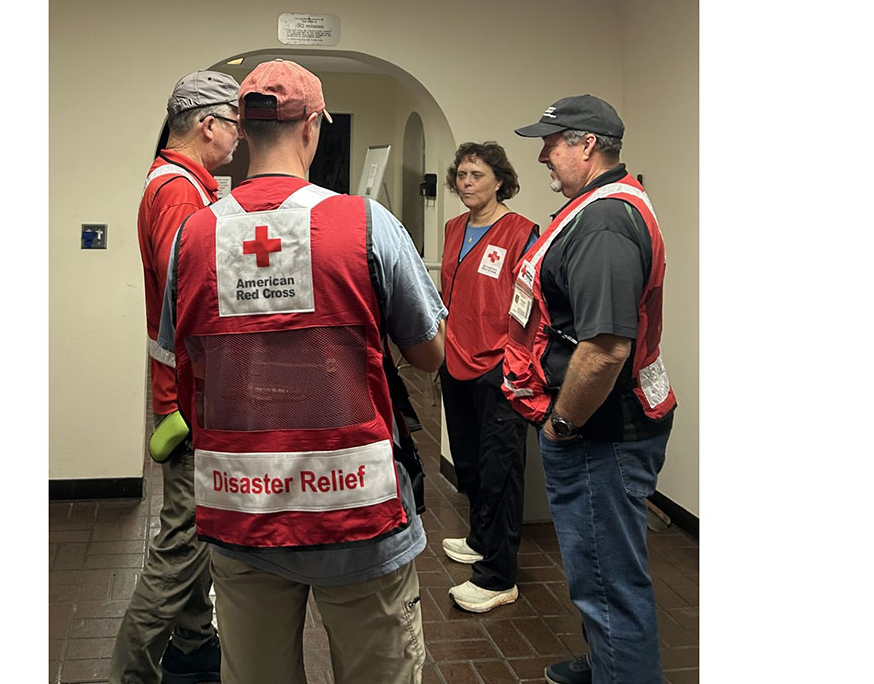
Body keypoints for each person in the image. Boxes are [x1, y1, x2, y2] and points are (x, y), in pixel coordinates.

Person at [158, 59, 447, 684]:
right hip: (358, 510)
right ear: (312, 128)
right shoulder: (366, 223)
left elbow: (182, 367)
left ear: (242, 129)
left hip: (241, 508)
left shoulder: (194, 236)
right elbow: (430, 354)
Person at [503, 94, 677, 684]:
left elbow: (605, 350)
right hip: (601, 425)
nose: (544, 156)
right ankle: (608, 663)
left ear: (587, 145)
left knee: (608, 576)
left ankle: (621, 670)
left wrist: (561, 426)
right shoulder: (596, 206)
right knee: (597, 569)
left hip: (600, 430)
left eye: (552, 143)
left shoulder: (602, 221)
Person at [109, 68, 241, 684]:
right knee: (182, 545)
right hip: (186, 399)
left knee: (188, 535)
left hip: (182, 393)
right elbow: (190, 290)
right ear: (207, 125)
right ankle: (131, 671)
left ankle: (193, 647)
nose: (240, 136)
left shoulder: (185, 183)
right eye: (235, 124)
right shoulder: (177, 192)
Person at [438, 141, 537, 613]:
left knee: (501, 471)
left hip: (499, 366)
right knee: (470, 462)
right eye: (461, 175)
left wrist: (513, 365)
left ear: (500, 180)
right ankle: (480, 539)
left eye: (476, 175)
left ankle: (499, 576)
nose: (466, 183)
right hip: (455, 361)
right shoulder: (454, 228)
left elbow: (532, 307)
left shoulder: (522, 232)